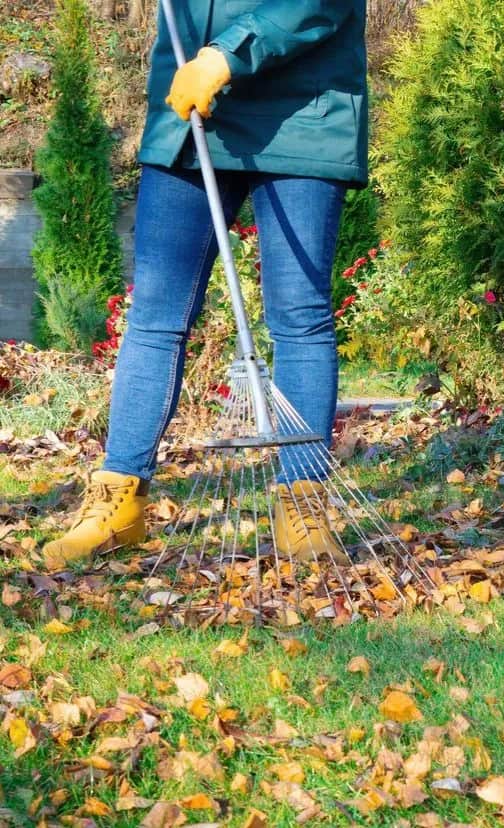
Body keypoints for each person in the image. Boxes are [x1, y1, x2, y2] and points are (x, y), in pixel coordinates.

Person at [41, 0, 367, 571]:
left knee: (299, 316)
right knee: (156, 314)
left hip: (304, 114)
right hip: (191, 110)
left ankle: (303, 501)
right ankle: (119, 499)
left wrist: (227, 54)